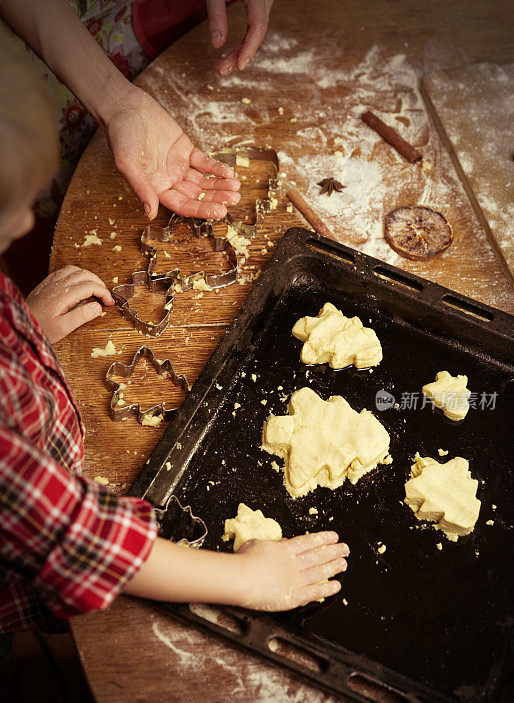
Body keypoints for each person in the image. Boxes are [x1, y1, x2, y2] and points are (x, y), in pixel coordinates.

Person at [0, 26, 348, 642]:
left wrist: (19, 329)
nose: (29, 221)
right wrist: (247, 582)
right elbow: (74, 539)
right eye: (9, 214)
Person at [0, 0, 275, 292]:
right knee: (30, 215)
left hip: (133, 25)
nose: (23, 223)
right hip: (25, 83)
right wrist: (115, 100)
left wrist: (118, 101)